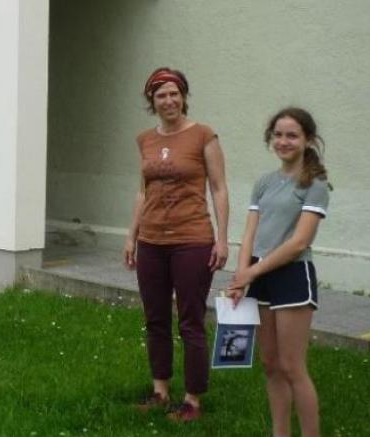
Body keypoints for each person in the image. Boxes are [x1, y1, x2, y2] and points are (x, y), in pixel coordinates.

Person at [123, 67, 229, 421]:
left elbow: (218, 188)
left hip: (192, 240)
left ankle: (193, 400)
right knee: (155, 319)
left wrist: (223, 238)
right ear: (151, 101)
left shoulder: (204, 135)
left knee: (190, 321)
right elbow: (143, 190)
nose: (168, 100)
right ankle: (160, 391)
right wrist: (132, 236)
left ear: (183, 96)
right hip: (152, 240)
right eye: (160, 95)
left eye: (174, 93)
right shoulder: (145, 140)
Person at [228, 107, 330, 437]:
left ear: (308, 140)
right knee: (270, 364)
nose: (283, 141)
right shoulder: (264, 183)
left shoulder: (315, 185)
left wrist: (253, 271)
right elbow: (249, 235)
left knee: (292, 367)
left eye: (292, 135)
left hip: (292, 277)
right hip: (258, 277)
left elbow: (299, 242)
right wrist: (241, 275)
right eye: (278, 135)